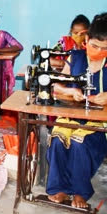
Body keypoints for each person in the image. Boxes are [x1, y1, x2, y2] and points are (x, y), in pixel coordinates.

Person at [47, 12, 107, 208]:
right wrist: (69, 91)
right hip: (74, 116)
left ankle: (80, 191)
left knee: (79, 142)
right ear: (86, 39)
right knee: (57, 137)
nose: (99, 51)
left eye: (105, 48)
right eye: (95, 46)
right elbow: (55, 88)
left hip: (100, 124)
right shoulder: (76, 58)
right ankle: (60, 188)